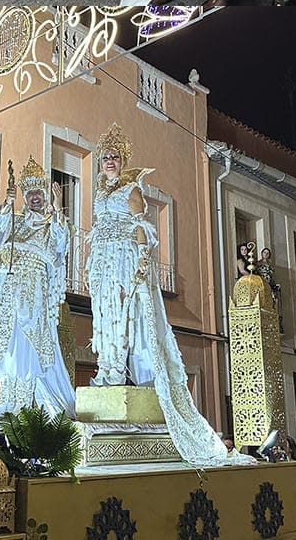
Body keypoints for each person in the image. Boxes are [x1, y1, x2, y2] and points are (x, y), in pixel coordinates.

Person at [85, 123, 248, 466]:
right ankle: (111, 372)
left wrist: (141, 264)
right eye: (105, 158)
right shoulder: (99, 194)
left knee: (128, 319)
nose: (109, 162)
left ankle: (125, 376)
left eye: (115, 157)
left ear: (123, 160)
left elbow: (143, 228)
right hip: (103, 262)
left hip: (124, 262)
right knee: (107, 320)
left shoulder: (131, 190)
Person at [0, 160, 74, 419]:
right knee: (4, 343)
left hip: (31, 293)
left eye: (39, 193)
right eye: (30, 193)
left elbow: (59, 249)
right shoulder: (13, 220)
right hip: (4, 290)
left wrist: (57, 211)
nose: (35, 198)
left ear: (46, 198)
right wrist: (5, 206)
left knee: (25, 345)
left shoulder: (50, 226)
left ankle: (22, 400)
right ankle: (6, 398)